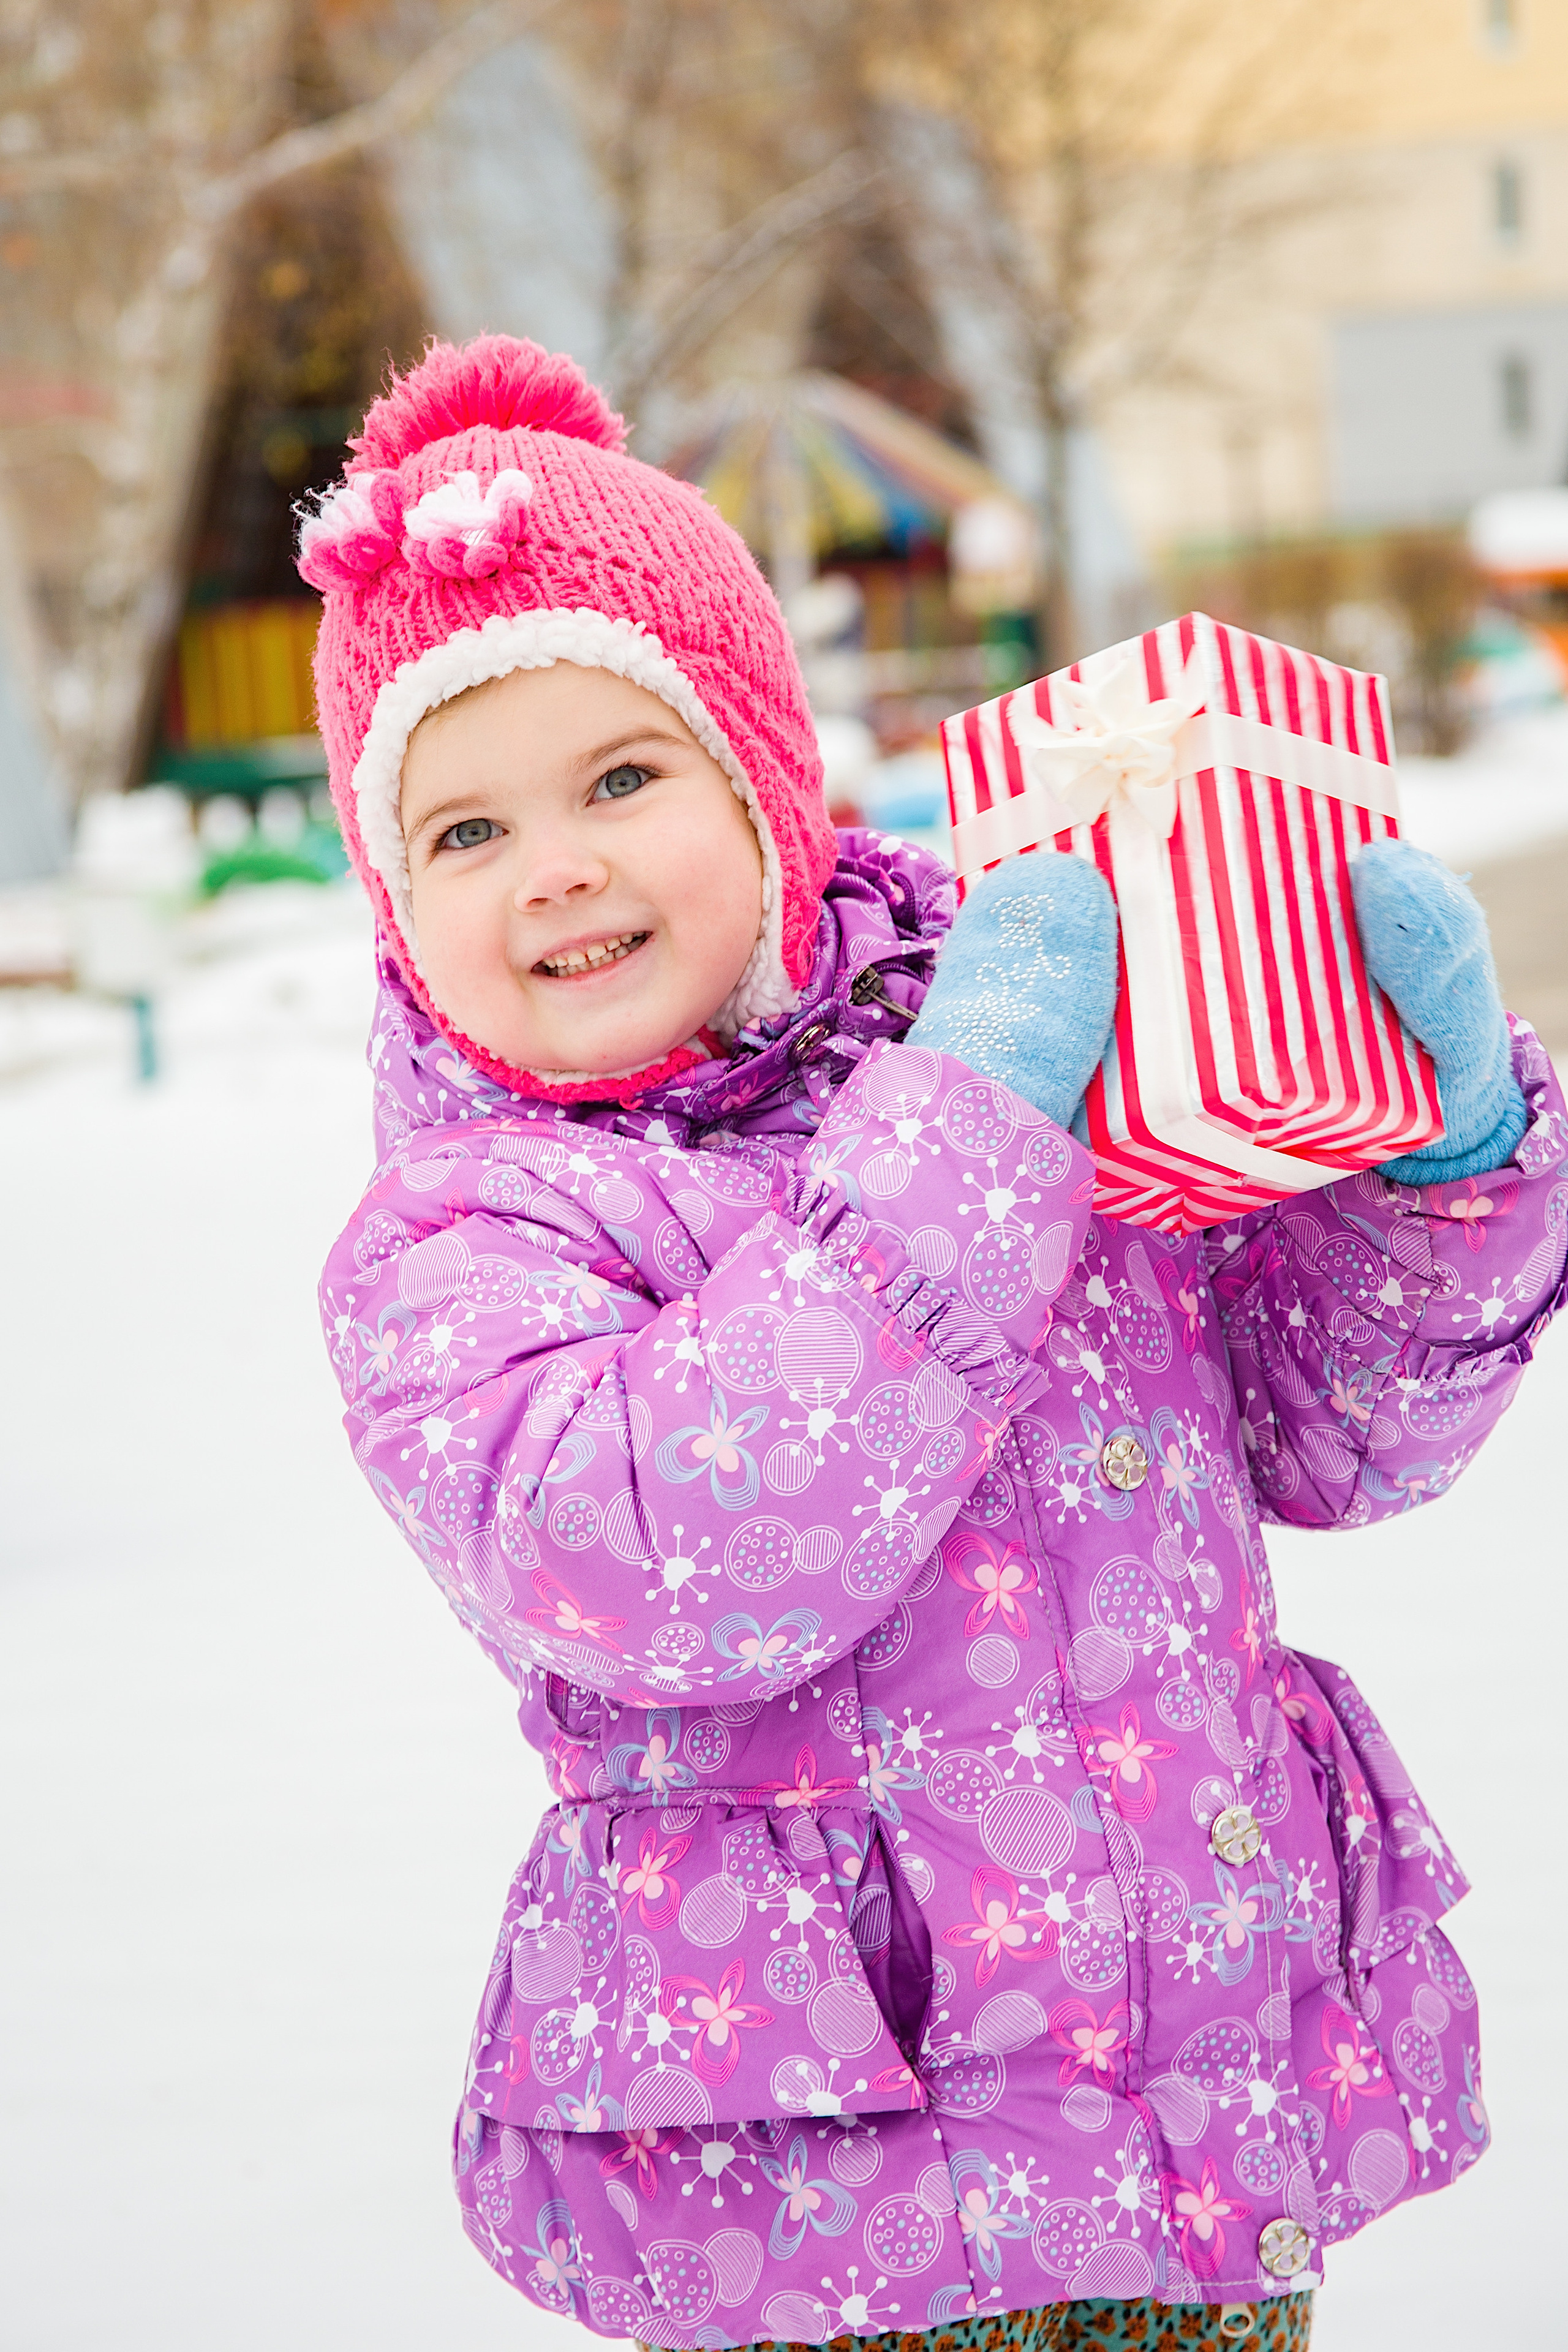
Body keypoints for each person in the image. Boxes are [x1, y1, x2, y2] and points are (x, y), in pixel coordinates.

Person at [309, 336, 1567, 2352]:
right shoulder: (473, 1234)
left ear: (765, 781)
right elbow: (664, 1561)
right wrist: (970, 1124)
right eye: (460, 832)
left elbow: (1323, 1439)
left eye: (622, 778)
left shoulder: (1029, 1049)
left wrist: (1435, 1163)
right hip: (836, 2216)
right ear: (393, 905)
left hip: (1195, 2138)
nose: (554, 866)